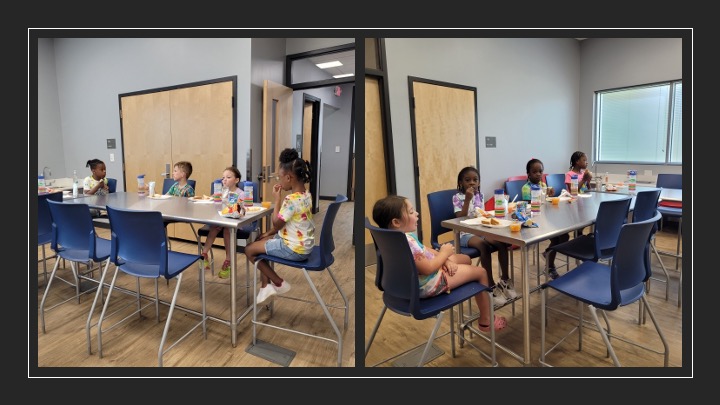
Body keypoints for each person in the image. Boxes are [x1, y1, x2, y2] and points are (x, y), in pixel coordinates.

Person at [373, 195, 507, 332]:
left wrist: (446, 259)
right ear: (396, 222)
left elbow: (427, 250)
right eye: (412, 212)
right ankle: (486, 320)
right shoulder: (409, 243)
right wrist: (444, 254)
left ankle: (459, 271)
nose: (417, 213)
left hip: (414, 281)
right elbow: (428, 268)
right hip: (429, 284)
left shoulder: (396, 239)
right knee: (481, 272)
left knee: (465, 259)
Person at [245, 148, 314, 304]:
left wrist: (277, 199)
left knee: (249, 249)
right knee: (262, 238)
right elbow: (282, 225)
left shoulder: (291, 200)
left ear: (288, 178)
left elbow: (276, 222)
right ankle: (265, 287)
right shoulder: (306, 195)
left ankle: (278, 282)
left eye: (279, 177)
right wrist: (269, 233)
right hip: (303, 244)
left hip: (294, 249)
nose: (278, 180)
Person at [452, 166, 516, 306]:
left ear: (479, 182)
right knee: (484, 246)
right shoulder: (457, 197)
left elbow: (480, 214)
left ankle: (505, 280)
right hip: (464, 233)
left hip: (481, 230)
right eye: (467, 180)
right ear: (461, 182)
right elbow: (459, 218)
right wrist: (468, 200)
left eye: (475, 180)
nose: (472, 183)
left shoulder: (480, 196)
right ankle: (490, 286)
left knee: (501, 242)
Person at [525, 158, 570, 279]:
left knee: (565, 236)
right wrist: (541, 197)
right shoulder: (526, 188)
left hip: (545, 218)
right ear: (528, 174)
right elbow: (527, 204)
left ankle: (548, 254)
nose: (538, 174)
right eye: (535, 172)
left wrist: (549, 194)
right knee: (557, 238)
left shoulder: (543, 185)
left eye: (540, 171)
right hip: (534, 220)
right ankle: (550, 266)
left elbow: (546, 202)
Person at [200, 166, 245, 279]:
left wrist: (232, 204)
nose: (224, 180)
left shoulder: (241, 193)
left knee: (227, 229)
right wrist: (214, 199)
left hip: (235, 222)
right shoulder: (222, 191)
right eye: (223, 177)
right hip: (221, 219)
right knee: (214, 227)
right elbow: (216, 207)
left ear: (236, 180)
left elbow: (242, 210)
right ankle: (204, 254)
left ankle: (228, 260)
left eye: (228, 177)